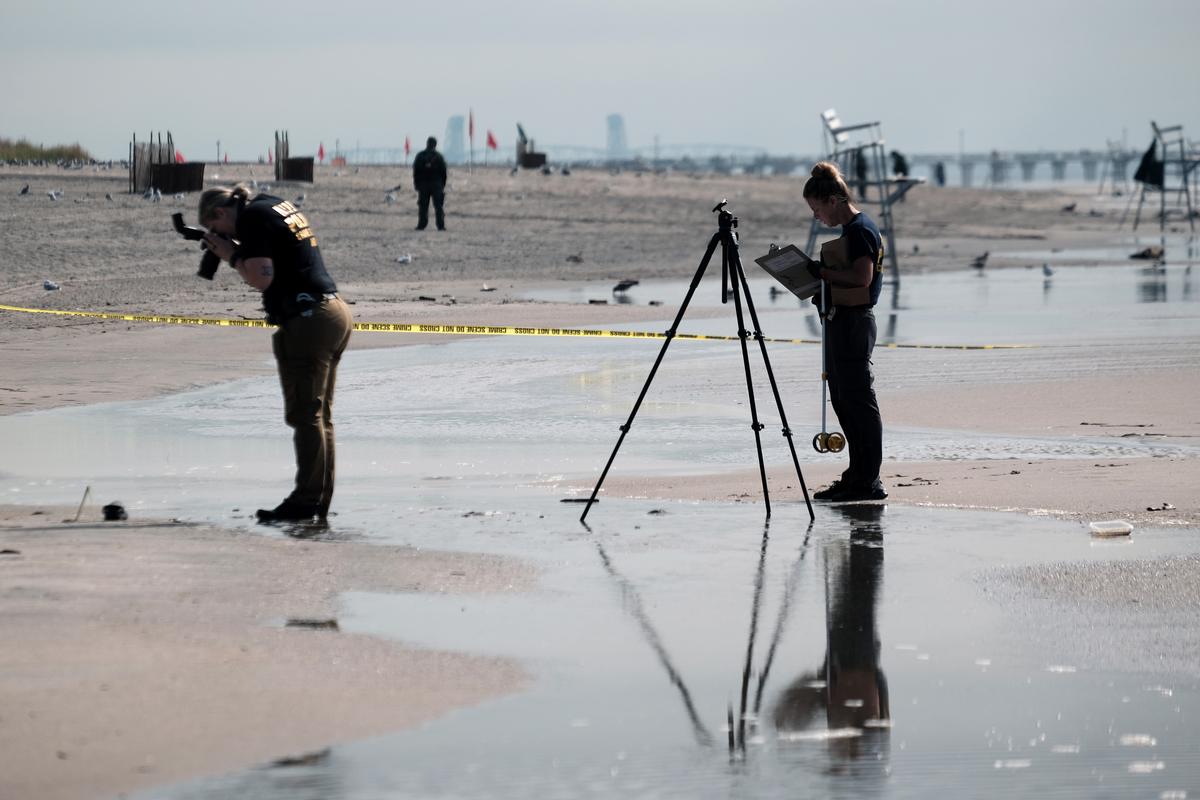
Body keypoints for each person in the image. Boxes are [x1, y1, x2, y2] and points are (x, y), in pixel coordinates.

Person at [199, 184, 353, 523]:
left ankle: (305, 502)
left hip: (309, 320)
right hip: (332, 311)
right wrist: (237, 251)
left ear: (220, 214)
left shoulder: (252, 218)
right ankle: (316, 502)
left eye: (215, 230)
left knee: (306, 417)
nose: (217, 236)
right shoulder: (271, 205)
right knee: (319, 417)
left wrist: (232, 256)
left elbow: (262, 277)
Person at [803, 162, 887, 502]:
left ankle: (868, 481)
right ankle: (856, 477)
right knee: (843, 400)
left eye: (817, 209)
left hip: (855, 323)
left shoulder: (861, 230)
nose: (817, 217)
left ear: (833, 200)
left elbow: (862, 278)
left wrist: (821, 274)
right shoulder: (851, 231)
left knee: (858, 403)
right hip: (841, 320)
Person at [407, 136, 447, 231]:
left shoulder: (420, 155)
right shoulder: (439, 156)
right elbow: (444, 172)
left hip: (423, 184)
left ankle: (422, 225)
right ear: (435, 145)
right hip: (436, 185)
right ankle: (440, 226)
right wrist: (442, 185)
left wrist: (416, 184)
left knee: (423, 206)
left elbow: (415, 171)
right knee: (438, 206)